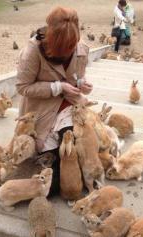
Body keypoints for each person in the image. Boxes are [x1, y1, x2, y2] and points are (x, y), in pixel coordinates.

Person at [16, 7, 93, 195]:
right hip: (42, 110)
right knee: (50, 184)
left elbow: (76, 76)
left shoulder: (81, 48)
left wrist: (82, 84)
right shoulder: (33, 52)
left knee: (73, 153)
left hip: (68, 105)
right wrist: (58, 87)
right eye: (63, 49)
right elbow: (23, 87)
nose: (67, 52)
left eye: (70, 48)